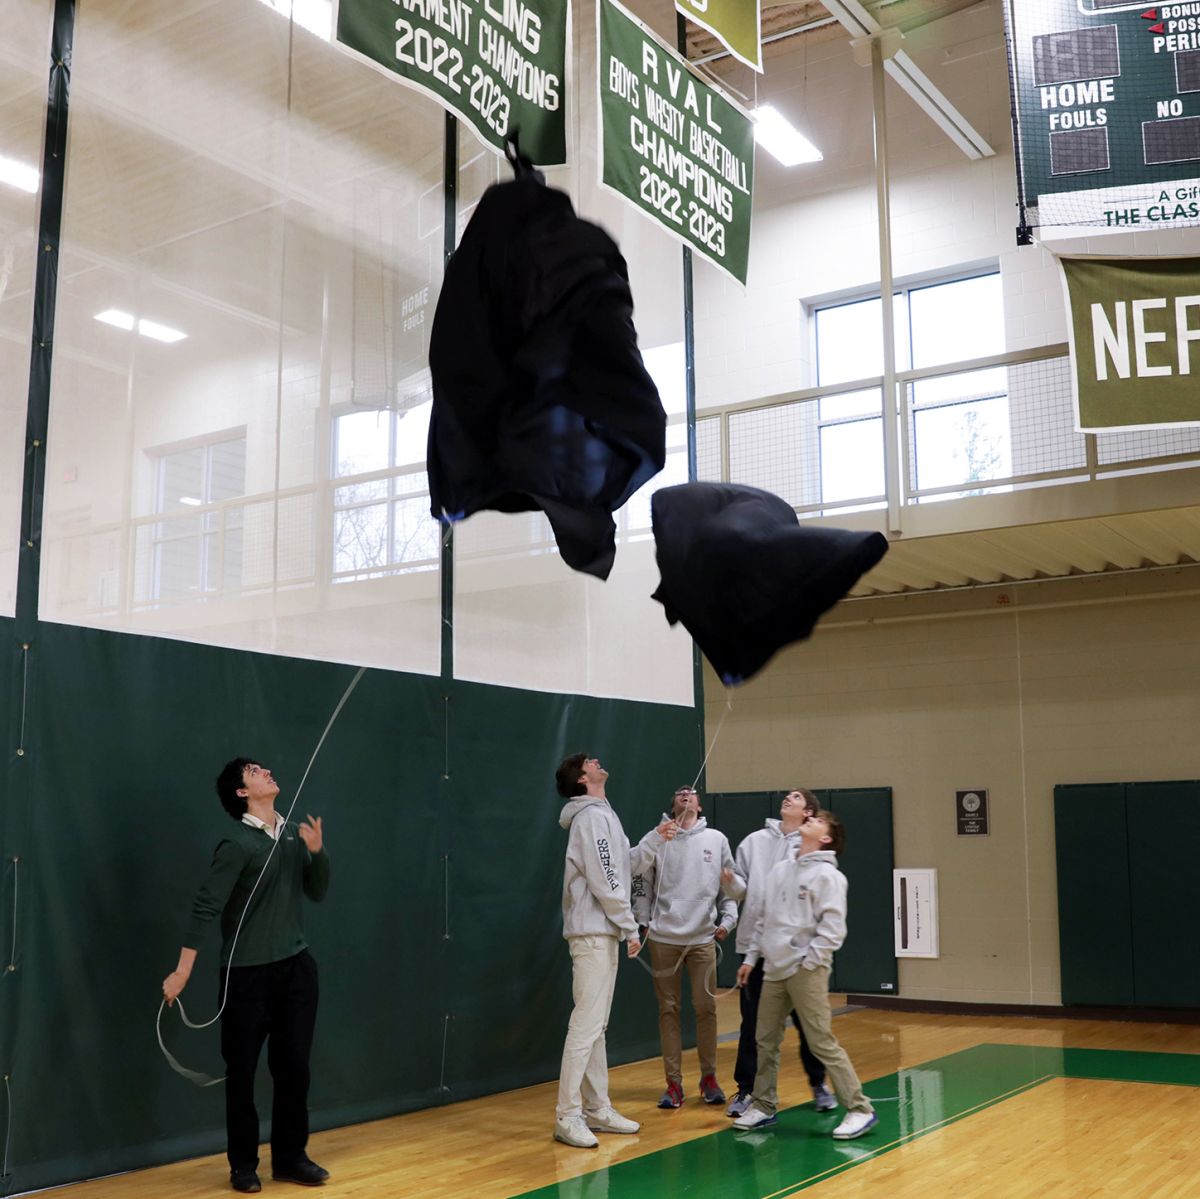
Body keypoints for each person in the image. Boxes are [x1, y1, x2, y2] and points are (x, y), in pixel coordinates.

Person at [162, 759, 331, 1194]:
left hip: (296, 970)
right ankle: (243, 1166)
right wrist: (182, 971)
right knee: (241, 1072)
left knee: (294, 1069)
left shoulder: (293, 834)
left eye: (265, 769)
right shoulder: (236, 843)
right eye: (255, 772)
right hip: (246, 977)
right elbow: (205, 907)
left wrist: (316, 852)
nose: (267, 772)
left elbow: (316, 891)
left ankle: (291, 1159)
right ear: (242, 793)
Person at [732, 810, 877, 1140]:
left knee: (821, 1041)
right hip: (773, 969)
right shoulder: (781, 870)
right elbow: (763, 919)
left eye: (819, 820)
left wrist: (809, 963)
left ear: (826, 838)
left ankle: (860, 1108)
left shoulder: (829, 876)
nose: (810, 818)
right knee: (764, 1040)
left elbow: (832, 929)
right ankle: (764, 1105)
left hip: (805, 971)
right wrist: (752, 958)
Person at [554, 753, 669, 1149]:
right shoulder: (589, 818)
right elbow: (605, 881)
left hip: (602, 932)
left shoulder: (603, 814)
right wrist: (628, 926)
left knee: (596, 1027)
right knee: (585, 1026)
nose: (600, 762)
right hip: (592, 933)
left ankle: (597, 1108)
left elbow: (621, 866)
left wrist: (656, 838)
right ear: (583, 778)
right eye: (592, 762)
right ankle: (567, 1117)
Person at [726, 790, 833, 1118]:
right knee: (754, 1025)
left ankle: (818, 1084)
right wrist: (730, 883)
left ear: (808, 813)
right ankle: (747, 1091)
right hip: (754, 947)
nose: (789, 797)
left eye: (797, 797)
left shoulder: (806, 848)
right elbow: (743, 892)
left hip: (797, 953)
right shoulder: (753, 841)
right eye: (787, 796)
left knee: (807, 1023)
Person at [632, 786, 739, 1109]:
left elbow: (729, 885)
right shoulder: (657, 837)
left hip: (703, 939)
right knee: (669, 1010)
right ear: (674, 803)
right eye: (680, 793)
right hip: (664, 939)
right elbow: (640, 880)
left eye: (691, 793)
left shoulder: (716, 840)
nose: (686, 794)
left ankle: (709, 1079)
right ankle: (673, 1084)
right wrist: (643, 918)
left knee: (706, 1009)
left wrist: (728, 920)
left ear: (699, 804)